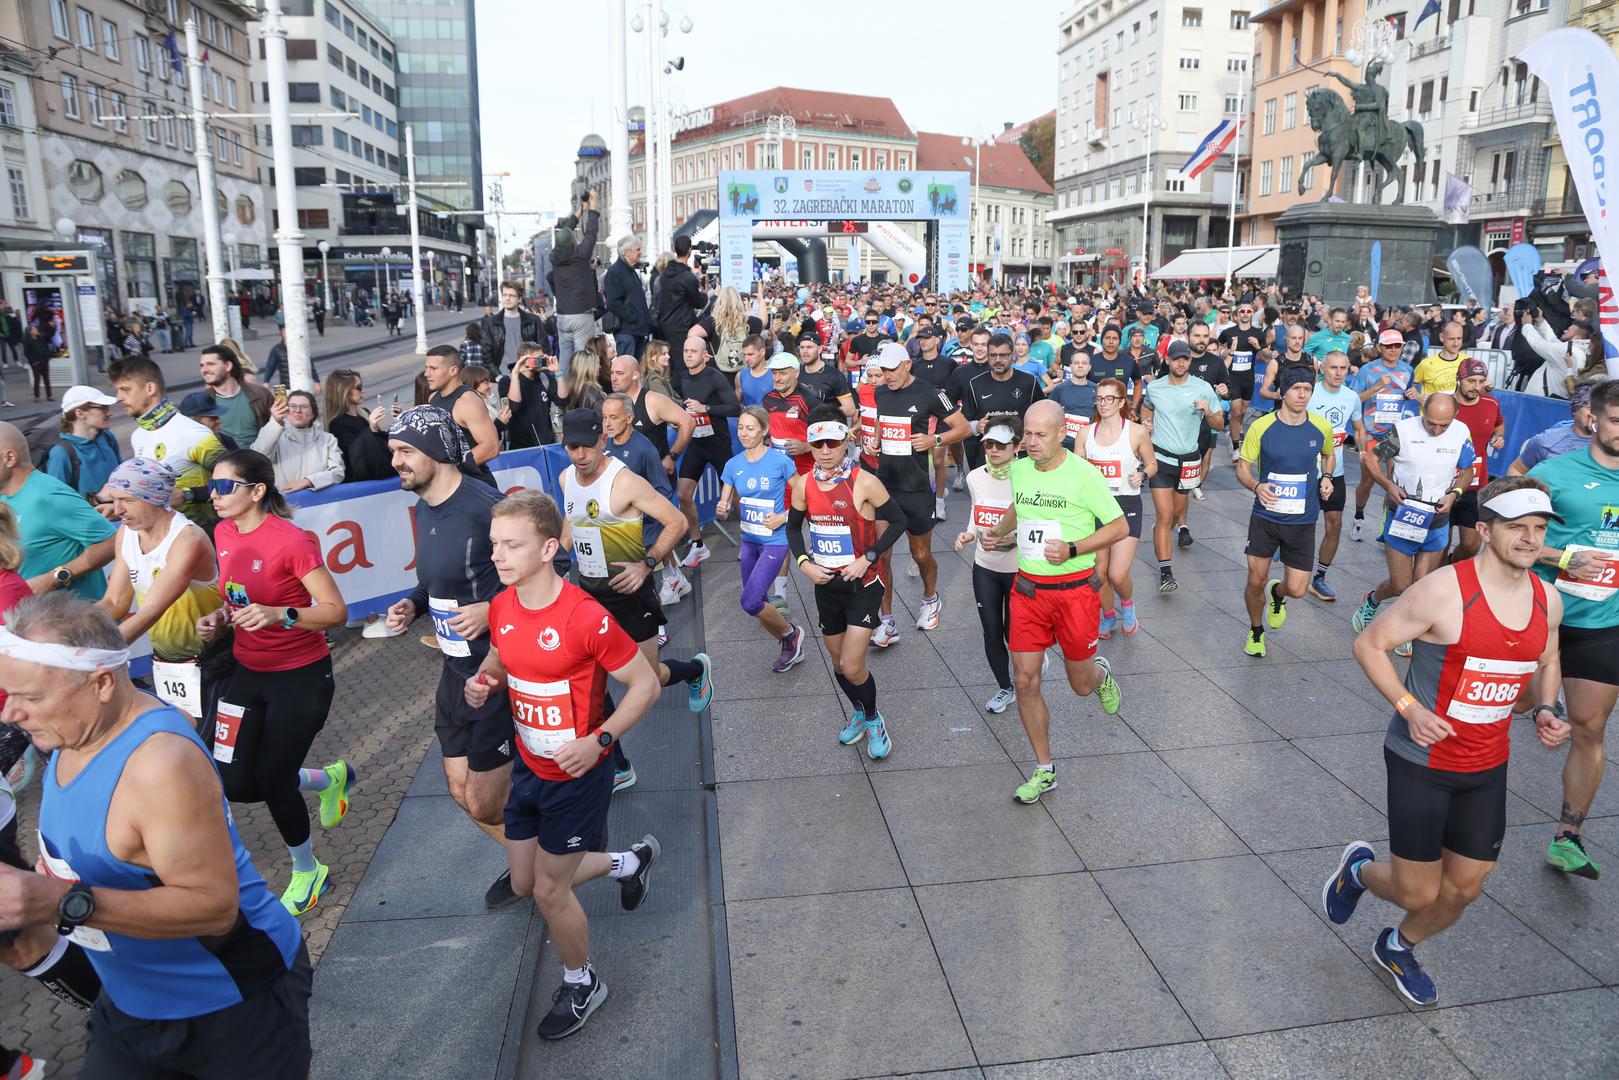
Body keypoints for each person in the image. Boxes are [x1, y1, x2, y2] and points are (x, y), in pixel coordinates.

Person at [0, 593, 313, 1077]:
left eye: (31, 698)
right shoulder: (71, 734)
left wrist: (59, 900)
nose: (10, 714)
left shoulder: (160, 763)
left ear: (102, 682)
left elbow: (214, 908)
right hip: (131, 1004)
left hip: (230, 1006)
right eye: (8, 695)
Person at [1329, 477, 1570, 1006]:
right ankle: (1358, 871)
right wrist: (1409, 709)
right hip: (1423, 759)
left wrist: (1548, 708)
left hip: (1488, 764)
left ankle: (1398, 944)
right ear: (1483, 530)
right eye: (1516, 528)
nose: (1530, 539)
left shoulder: (1547, 599)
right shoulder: (1444, 590)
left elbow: (1548, 659)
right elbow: (1370, 644)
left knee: (1463, 888)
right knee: (1418, 889)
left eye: (1538, 528)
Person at [462, 490, 662, 1040]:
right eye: (495, 544)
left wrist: (600, 740)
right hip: (529, 768)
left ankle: (582, 981)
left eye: (512, 545)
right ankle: (630, 862)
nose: (498, 556)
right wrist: (486, 681)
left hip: (577, 776)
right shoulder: (502, 605)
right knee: (527, 883)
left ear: (550, 548)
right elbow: (502, 655)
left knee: (551, 891)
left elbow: (645, 686)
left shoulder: (585, 618)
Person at [196, 450, 353, 915]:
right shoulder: (222, 531)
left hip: (300, 678)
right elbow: (240, 597)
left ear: (257, 491)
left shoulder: (291, 541)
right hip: (247, 671)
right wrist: (222, 617)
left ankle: (309, 872)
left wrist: (280, 615)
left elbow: (336, 612)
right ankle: (329, 779)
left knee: (272, 777)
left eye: (225, 487)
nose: (214, 495)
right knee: (235, 782)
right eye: (213, 486)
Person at [381, 407, 520, 907]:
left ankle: (551, 868)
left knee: (486, 801)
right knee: (461, 791)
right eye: (393, 450)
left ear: (438, 453)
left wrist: (492, 608)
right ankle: (530, 865)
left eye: (404, 452)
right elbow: (435, 582)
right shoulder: (423, 507)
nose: (394, 460)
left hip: (494, 671)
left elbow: (554, 568)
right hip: (452, 670)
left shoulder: (488, 507)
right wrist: (413, 604)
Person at [982, 400, 1125, 803]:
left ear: (1061, 433)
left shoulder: (1084, 475)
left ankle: (1099, 675)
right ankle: (1044, 769)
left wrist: (1076, 547)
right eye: (1026, 433)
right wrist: (1000, 530)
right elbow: (1020, 505)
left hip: (1075, 594)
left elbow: (1119, 526)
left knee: (1080, 686)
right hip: (1028, 591)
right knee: (1025, 679)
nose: (1031, 442)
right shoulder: (1021, 468)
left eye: (1040, 435)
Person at [1526, 378, 1619, 880]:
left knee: (1589, 728)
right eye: (1617, 421)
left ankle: (1568, 837)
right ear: (1594, 420)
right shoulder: (1555, 473)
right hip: (1544, 617)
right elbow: (1509, 535)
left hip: (1606, 623)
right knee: (1502, 710)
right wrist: (1566, 557)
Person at [786, 407, 909, 759]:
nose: (825, 450)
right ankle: (858, 709)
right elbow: (794, 528)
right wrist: (804, 563)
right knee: (839, 664)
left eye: (832, 443)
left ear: (845, 442)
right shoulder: (804, 484)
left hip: (863, 585)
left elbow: (898, 521)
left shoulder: (863, 481)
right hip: (826, 585)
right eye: (818, 443)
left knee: (853, 665)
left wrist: (868, 558)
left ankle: (873, 719)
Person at [96, 459, 229, 725]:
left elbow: (153, 609)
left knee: (214, 752)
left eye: (127, 500)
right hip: (168, 662)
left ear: (154, 498)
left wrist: (95, 656)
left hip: (212, 658)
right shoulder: (127, 533)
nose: (118, 510)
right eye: (114, 499)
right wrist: (69, 633)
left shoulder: (187, 539)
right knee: (185, 742)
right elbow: (114, 602)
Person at [1351, 394, 1478, 653]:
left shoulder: (1462, 432)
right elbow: (1370, 459)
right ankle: (1372, 600)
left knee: (1421, 585)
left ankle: (1406, 631)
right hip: (1404, 515)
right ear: (1422, 412)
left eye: (1444, 425)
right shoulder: (1403, 431)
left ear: (1454, 417)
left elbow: (1467, 470)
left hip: (1437, 518)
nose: (1437, 429)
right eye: (1431, 423)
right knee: (1401, 584)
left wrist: (1455, 494)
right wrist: (1388, 485)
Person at [873, 342, 972, 638]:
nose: (886, 375)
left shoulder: (930, 393)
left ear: (906, 365)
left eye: (891, 369)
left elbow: (963, 428)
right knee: (881, 556)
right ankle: (887, 621)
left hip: (917, 487)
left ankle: (930, 599)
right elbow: (884, 423)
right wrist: (877, 440)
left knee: (920, 553)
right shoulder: (881, 393)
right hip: (884, 486)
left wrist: (935, 441)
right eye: (883, 369)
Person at [1236, 366, 1336, 656]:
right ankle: (1256, 631)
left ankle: (1278, 595)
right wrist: (1256, 486)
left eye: (1307, 388)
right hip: (1266, 516)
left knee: (1298, 589)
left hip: (1303, 519)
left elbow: (1328, 456)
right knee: (1256, 578)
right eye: (1296, 388)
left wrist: (1326, 478)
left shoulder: (1321, 427)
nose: (1303, 394)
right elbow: (1242, 468)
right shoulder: (1262, 426)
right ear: (1283, 392)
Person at [716, 407, 805, 671]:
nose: (744, 433)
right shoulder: (733, 465)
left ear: (765, 430)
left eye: (750, 428)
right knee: (758, 602)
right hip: (749, 541)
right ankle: (789, 642)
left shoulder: (780, 461)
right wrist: (722, 509)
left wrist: (784, 517)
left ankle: (791, 635)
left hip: (775, 540)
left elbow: (805, 496)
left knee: (750, 601)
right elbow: (724, 504)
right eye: (741, 427)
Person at [953, 412, 1024, 713]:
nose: (994, 450)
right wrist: (969, 534)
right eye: (988, 444)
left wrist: (1014, 540)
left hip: (1019, 569)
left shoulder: (1027, 477)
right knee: (991, 630)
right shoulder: (974, 477)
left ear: (1016, 447)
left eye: (1001, 445)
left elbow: (1039, 522)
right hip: (985, 567)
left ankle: (1030, 668)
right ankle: (1005, 688)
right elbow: (977, 512)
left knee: (1014, 633)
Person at [1142, 340, 1226, 592]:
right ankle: (1166, 572)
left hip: (1189, 460)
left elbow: (1220, 424)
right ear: (1167, 360)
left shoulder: (1202, 388)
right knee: (1165, 515)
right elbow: (1146, 410)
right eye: (1176, 358)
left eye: (1185, 359)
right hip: (1161, 459)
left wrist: (1208, 413)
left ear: (1190, 361)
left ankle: (1167, 531)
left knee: (1177, 514)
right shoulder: (1155, 387)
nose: (1181, 363)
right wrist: (1147, 423)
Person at [0, 422, 116, 600]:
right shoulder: (4, 497)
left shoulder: (49, 495)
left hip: (75, 623)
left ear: (10, 458)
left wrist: (54, 578)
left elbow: (111, 541)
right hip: (28, 621)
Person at [1084, 378, 1155, 637]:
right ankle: (1108, 616)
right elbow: (1078, 472)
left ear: (1121, 401)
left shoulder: (1136, 432)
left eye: (1109, 399)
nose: (1103, 404)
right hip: (1096, 508)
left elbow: (1152, 464)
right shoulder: (1086, 433)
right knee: (1098, 573)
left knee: (1117, 573)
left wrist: (1143, 475)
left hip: (1126, 505)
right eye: (1099, 398)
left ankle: (1127, 605)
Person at [673, 336, 741, 569]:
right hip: (696, 444)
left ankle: (749, 540)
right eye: (685, 350)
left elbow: (735, 407)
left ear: (705, 355)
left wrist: (706, 408)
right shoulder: (680, 376)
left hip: (719, 444)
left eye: (693, 351)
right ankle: (698, 544)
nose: (688, 354)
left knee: (734, 494)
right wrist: (677, 419)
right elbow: (675, 404)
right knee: (683, 494)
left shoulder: (715, 377)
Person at [1346, 329, 1418, 541]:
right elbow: (1353, 399)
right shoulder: (1368, 370)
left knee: (1395, 482)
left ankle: (1387, 527)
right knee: (1367, 482)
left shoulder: (1407, 370)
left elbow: (1408, 391)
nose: (1394, 350)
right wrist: (1377, 387)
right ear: (1380, 348)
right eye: (1389, 346)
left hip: (1395, 434)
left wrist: (1412, 394)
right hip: (1371, 433)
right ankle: (1359, 517)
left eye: (1398, 346)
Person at [1306, 351, 1368, 600]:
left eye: (1343, 368)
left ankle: (1319, 577)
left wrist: (1363, 452)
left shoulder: (1352, 397)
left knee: (1335, 524)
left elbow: (1359, 426)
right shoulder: (1308, 393)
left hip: (1335, 472)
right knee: (1303, 525)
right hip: (1307, 471)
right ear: (1323, 369)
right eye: (1333, 368)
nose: (1339, 372)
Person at [1449, 358, 1507, 563]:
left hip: (1476, 486)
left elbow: (1499, 425)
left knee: (1471, 547)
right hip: (1445, 485)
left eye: (1481, 381)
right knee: (1438, 546)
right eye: (1471, 381)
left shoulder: (1491, 403)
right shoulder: (1446, 404)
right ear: (1459, 379)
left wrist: (1497, 437)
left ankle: (1450, 567)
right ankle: (1439, 583)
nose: (1476, 387)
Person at [424, 344, 500, 487]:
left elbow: (491, 448)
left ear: (453, 370)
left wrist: (448, 469)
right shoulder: (432, 398)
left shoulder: (467, 401)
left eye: (433, 368)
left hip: (476, 487)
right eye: (426, 367)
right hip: (448, 487)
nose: (427, 374)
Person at [251, 390, 345, 493]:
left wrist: (308, 481)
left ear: (313, 413)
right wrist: (275, 421)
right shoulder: (274, 436)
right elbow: (258, 456)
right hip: (284, 503)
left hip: (319, 504)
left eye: (304, 406)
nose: (298, 410)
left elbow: (338, 472)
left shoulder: (328, 439)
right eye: (292, 406)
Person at [47, 385, 123, 504]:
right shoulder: (61, 453)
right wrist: (98, 499)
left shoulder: (108, 438)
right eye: (102, 408)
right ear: (80, 413)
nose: (109, 413)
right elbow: (56, 505)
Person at [1508, 382, 1598, 475]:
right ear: (1575, 409)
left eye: (1602, 410)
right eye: (1590, 408)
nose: (1596, 414)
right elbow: (1516, 470)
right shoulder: (1546, 441)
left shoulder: (1610, 444)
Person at [323, 368, 395, 482]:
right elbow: (355, 455)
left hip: (384, 471)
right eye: (359, 387)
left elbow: (382, 442)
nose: (363, 390)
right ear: (344, 392)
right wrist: (371, 428)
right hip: (364, 482)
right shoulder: (337, 424)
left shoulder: (364, 413)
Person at [199, 345, 273, 452]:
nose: (204, 370)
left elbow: (277, 431)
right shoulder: (201, 403)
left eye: (210, 364)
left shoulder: (261, 395)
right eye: (202, 365)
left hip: (260, 462)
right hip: (222, 465)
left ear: (228, 366)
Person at [1219, 300, 1268, 460]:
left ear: (1252, 313)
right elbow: (1217, 348)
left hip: (1248, 378)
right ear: (1237, 314)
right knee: (1236, 411)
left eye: (1248, 311)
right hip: (1232, 377)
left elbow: (1267, 355)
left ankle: (1233, 432)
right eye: (1242, 311)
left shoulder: (1258, 333)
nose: (1245, 314)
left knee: (1242, 412)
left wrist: (1258, 347)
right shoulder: (1229, 332)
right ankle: (1235, 449)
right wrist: (1228, 351)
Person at [653, 236, 706, 376]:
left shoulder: (664, 274)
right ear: (689, 251)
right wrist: (704, 294)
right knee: (682, 365)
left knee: (667, 364)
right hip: (681, 326)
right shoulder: (688, 278)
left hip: (664, 325)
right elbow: (699, 302)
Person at [480, 281, 545, 376]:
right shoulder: (490, 323)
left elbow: (543, 348)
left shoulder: (533, 320)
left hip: (529, 373)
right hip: (504, 375)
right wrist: (497, 376)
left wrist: (536, 372)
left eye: (512, 295)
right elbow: (486, 353)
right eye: (504, 295)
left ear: (519, 299)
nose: (507, 298)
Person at [604, 233, 652, 361]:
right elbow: (614, 303)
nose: (640, 253)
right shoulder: (615, 272)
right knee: (627, 367)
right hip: (626, 331)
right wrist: (632, 317)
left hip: (637, 330)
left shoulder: (630, 271)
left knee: (636, 370)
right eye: (637, 249)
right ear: (626, 252)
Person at [1412, 321, 1469, 398]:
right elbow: (1410, 386)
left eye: (1459, 338)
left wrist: (1487, 389)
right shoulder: (1426, 364)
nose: (1456, 343)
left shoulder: (1468, 362)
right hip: (1433, 409)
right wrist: (1420, 398)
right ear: (1442, 337)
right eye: (1451, 339)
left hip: (1459, 410)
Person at [22, 325, 51, 402]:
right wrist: (33, 361)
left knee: (46, 378)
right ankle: (37, 396)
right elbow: (26, 353)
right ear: (30, 332)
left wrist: (47, 357)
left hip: (44, 360)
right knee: (37, 378)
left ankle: (49, 395)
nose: (36, 330)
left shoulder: (40, 338)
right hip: (36, 362)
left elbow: (46, 347)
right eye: (34, 329)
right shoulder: (27, 341)